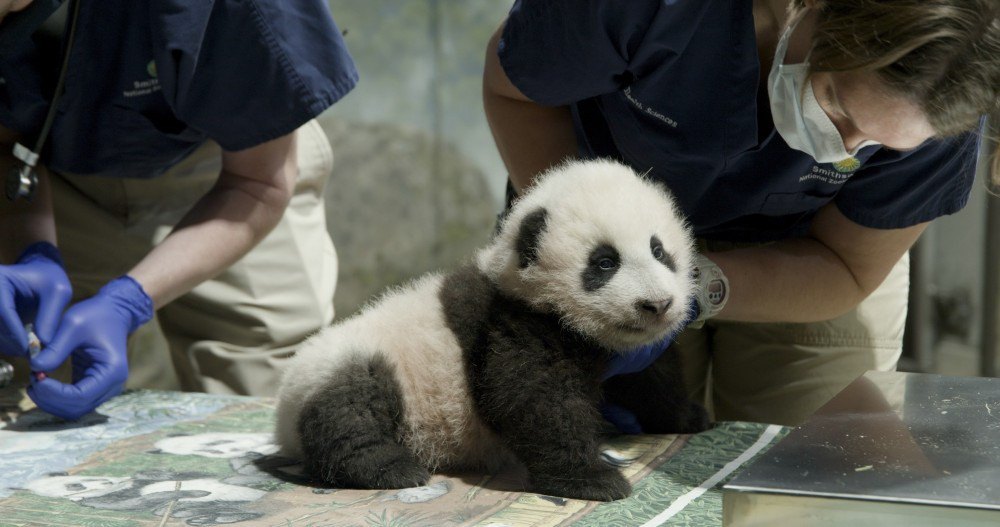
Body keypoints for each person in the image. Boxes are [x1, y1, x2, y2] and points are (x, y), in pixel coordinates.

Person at [483, 0, 999, 427]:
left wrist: (692, 289)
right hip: (613, 240)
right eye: (837, 105)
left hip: (808, 259)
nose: (843, 150)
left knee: (814, 475)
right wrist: (585, 249)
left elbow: (847, 265)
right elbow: (516, 92)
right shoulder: (652, 10)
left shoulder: (946, 105)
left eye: (879, 145)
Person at [0, 0, 358, 420]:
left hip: (235, 163)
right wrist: (32, 252)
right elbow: (5, 145)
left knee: (275, 407)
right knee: (37, 399)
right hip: (55, 174)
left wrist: (128, 301)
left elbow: (259, 182)